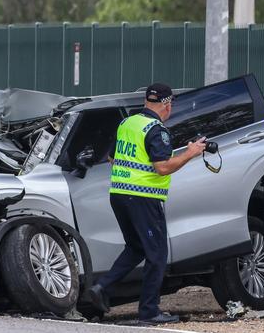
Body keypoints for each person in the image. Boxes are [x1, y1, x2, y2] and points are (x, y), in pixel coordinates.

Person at [88, 83, 205, 325]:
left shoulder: (127, 123)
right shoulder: (156, 129)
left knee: (137, 248)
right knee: (157, 253)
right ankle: (149, 311)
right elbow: (162, 167)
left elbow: (112, 157)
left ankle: (101, 287)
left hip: (119, 194)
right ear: (167, 104)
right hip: (143, 198)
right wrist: (190, 152)